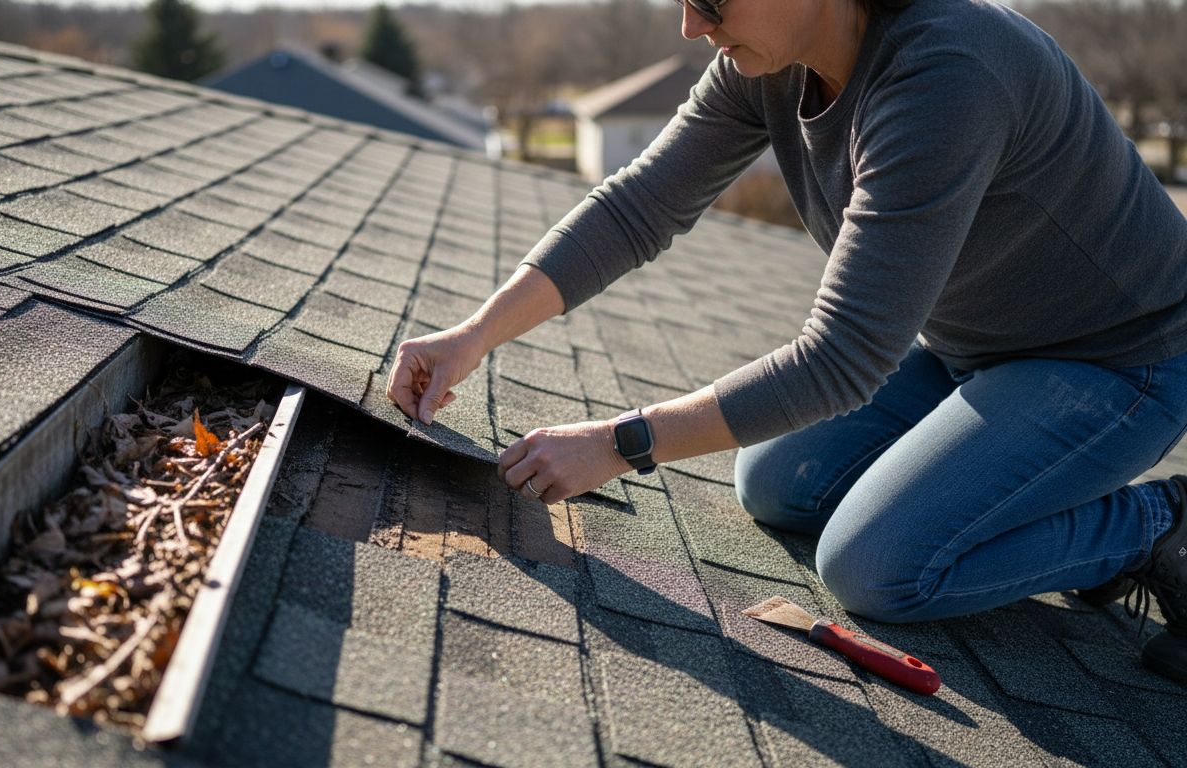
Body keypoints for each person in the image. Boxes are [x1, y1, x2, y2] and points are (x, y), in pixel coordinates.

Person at [386, 0, 1187, 682]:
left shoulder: (950, 74)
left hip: (1122, 360)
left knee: (878, 568)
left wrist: (620, 442)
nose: (691, 26)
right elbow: (640, 207)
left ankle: (1153, 526)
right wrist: (472, 335)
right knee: (777, 480)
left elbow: (842, 359)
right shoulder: (767, 61)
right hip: (976, 349)